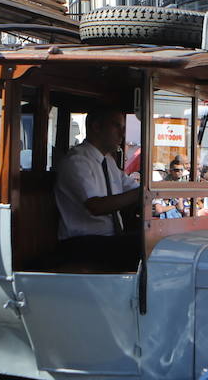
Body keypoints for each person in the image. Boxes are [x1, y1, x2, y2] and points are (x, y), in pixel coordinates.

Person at [54, 108, 142, 267]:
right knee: (142, 246)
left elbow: (131, 188)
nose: (122, 134)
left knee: (151, 241)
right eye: (117, 126)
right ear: (96, 127)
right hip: (80, 243)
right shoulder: (76, 161)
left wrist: (152, 194)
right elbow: (96, 206)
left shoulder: (108, 161)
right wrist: (142, 193)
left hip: (107, 241)